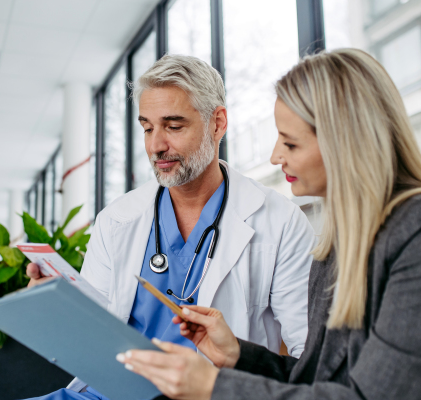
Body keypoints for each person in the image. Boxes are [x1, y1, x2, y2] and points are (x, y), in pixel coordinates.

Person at [117, 48, 421, 399]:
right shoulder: (339, 245)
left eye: (290, 144)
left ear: (346, 143)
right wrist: (238, 356)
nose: (276, 156)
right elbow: (318, 380)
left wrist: (214, 388)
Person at [25, 54, 316, 400]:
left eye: (173, 126)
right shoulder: (117, 219)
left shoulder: (279, 221)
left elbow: (310, 356)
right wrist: (57, 306)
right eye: (147, 128)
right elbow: (93, 338)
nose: (155, 146)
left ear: (218, 123)